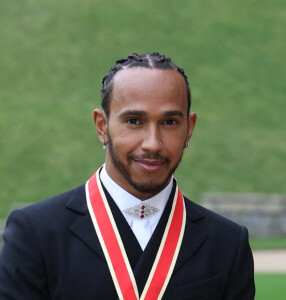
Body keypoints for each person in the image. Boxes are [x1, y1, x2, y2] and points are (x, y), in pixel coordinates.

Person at [0, 52, 255, 299]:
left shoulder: (228, 244)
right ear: (102, 126)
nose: (153, 144)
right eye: (134, 121)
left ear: (189, 129)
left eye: (169, 123)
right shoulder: (36, 234)